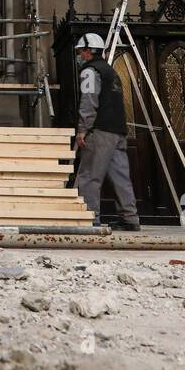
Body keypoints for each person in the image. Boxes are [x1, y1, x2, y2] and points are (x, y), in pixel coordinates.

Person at [73, 33, 140, 231]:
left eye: (80, 51)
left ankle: (90, 217)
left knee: (89, 175)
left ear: (88, 51)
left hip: (100, 131)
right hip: (118, 132)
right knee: (121, 177)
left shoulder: (90, 71)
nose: (79, 55)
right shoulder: (111, 71)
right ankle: (130, 218)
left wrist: (83, 129)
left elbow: (89, 101)